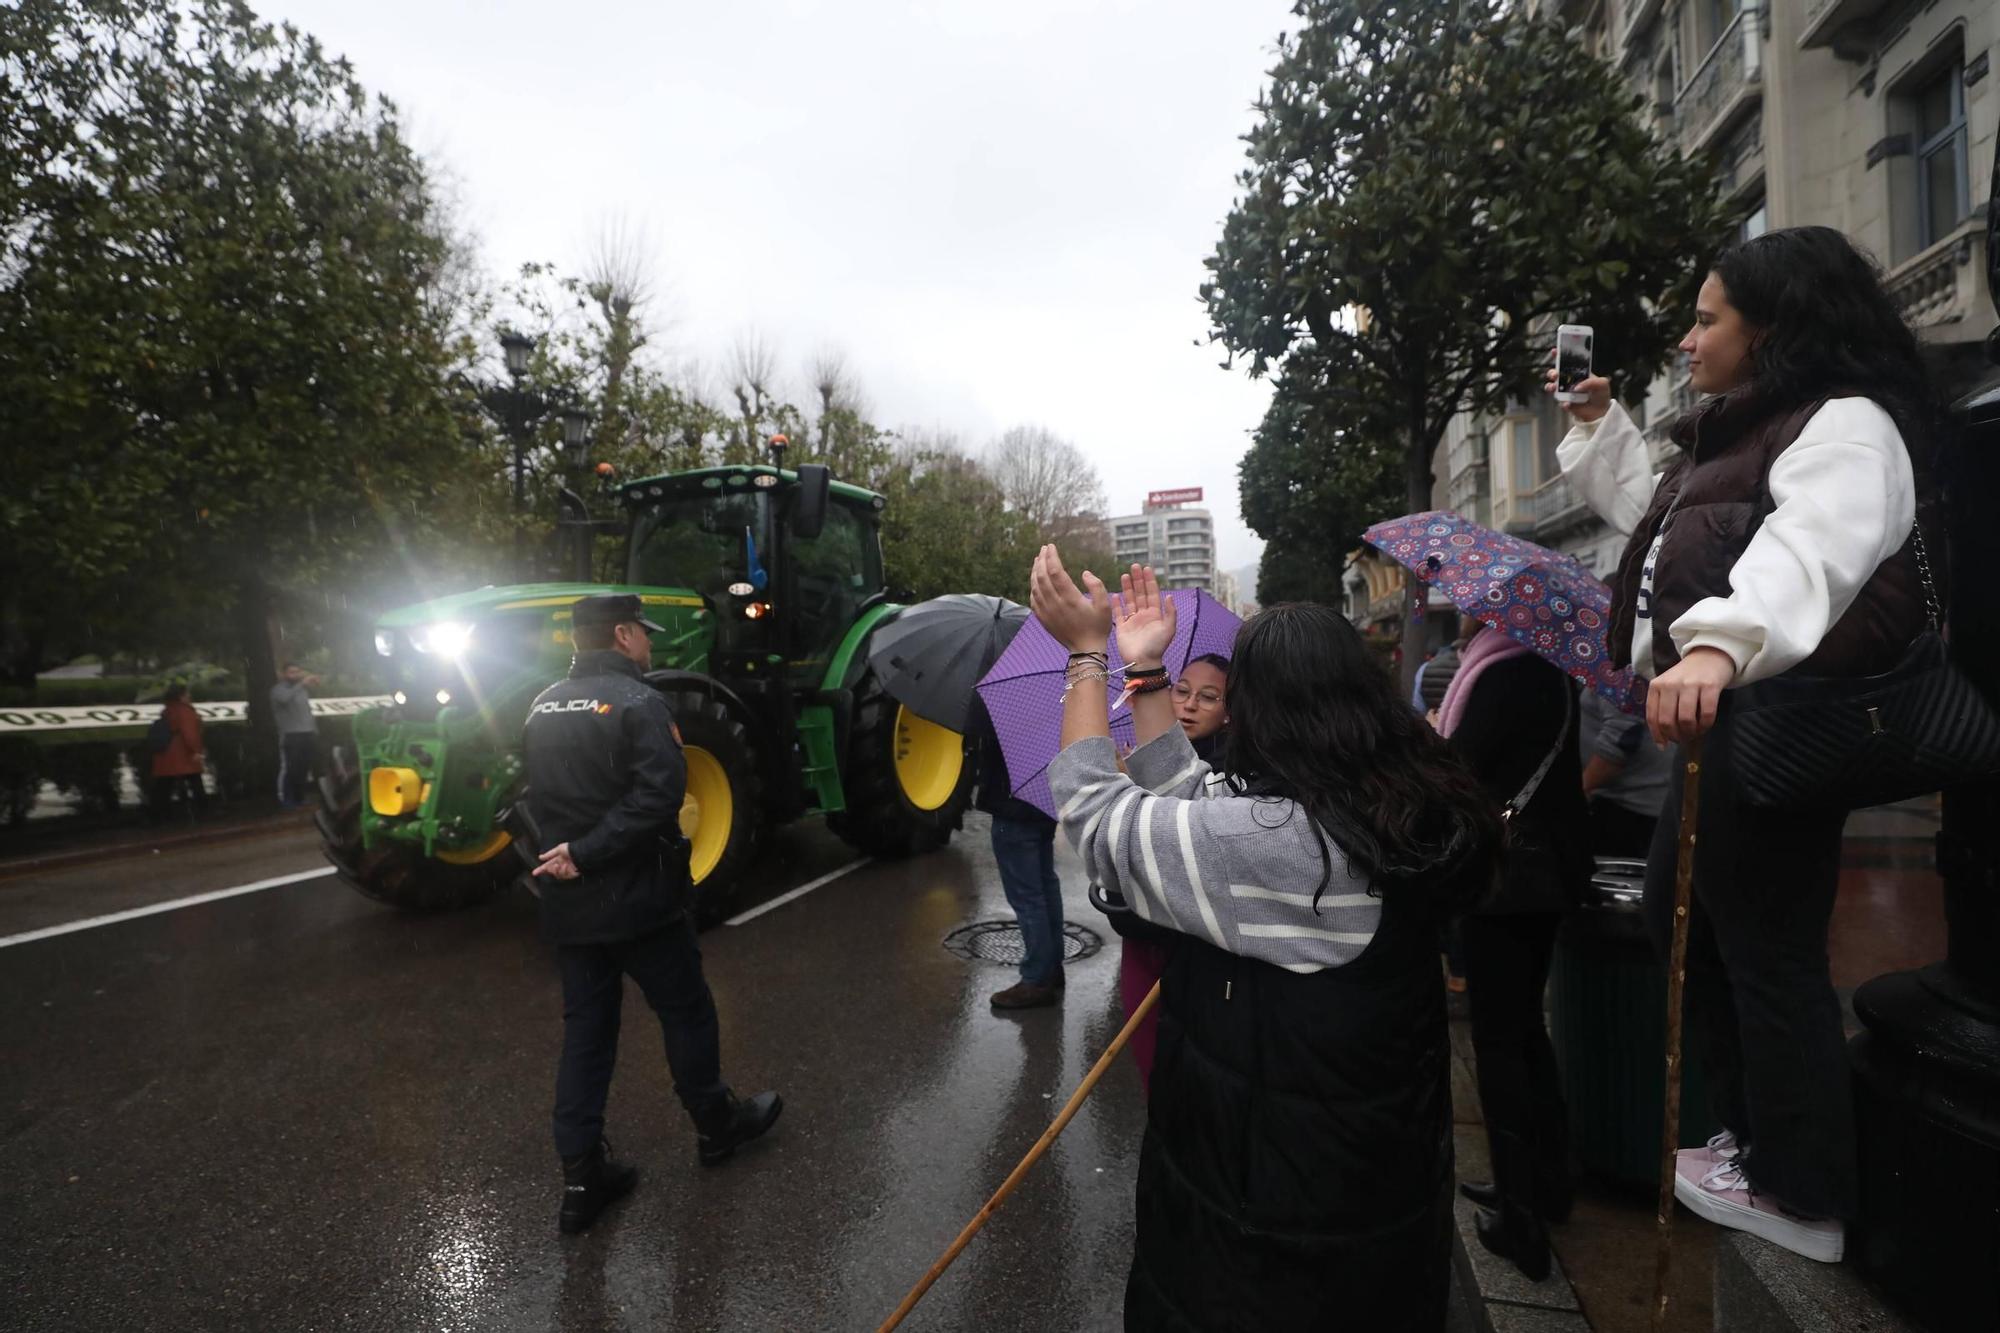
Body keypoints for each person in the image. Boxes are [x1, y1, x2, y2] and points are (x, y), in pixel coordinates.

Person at [1552, 226, 1933, 1263]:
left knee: (1763, 951)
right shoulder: (1740, 435)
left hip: (1766, 720)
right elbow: (1666, 524)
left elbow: (1812, 546)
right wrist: (1603, 425)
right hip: (1716, 728)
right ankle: (1758, 1144)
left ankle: (1798, 1189)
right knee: (1697, 935)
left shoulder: (1845, 424)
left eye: (1706, 317)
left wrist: (1716, 648)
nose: (1686, 339)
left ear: (1771, 328)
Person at [1034, 552, 1499, 1331]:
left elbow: (1094, 809)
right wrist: (1146, 669)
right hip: (1361, 1207)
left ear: (1258, 706)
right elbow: (1195, 797)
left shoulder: (1283, 842)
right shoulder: (1377, 803)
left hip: (1266, 1247)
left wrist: (1085, 657)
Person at [524, 594, 781, 1234]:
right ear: (620, 633)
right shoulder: (640, 703)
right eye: (642, 632)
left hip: (571, 909)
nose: (649, 643)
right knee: (686, 1009)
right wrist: (588, 853)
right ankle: (717, 1127)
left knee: (587, 1035)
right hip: (639, 900)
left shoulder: (541, 703)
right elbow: (658, 799)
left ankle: (582, 1176)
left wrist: (563, 858)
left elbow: (535, 794)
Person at [1438, 627, 1593, 1281]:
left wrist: (1434, 741)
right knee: (1528, 1029)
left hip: (1505, 879)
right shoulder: (1554, 672)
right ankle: (1550, 1182)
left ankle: (1518, 1216)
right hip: (1550, 869)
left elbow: (1461, 768)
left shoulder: (1500, 673)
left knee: (1498, 1040)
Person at [1113, 651, 1230, 1089]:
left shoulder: (1233, 777)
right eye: (1181, 691)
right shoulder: (1137, 758)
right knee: (1151, 1066)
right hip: (1141, 937)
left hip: (1196, 948)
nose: (1189, 704)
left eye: (1209, 697)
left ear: (1230, 713)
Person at [968, 694, 1068, 1010]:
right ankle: (1051, 967)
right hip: (1043, 800)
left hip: (1012, 807)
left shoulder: (1005, 698)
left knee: (1027, 896)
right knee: (1044, 886)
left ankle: (1036, 979)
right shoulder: (1050, 689)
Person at [1577, 686, 1668, 858]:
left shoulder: (1620, 670)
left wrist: (1581, 791)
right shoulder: (1604, 669)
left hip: (1629, 809)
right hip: (1621, 803)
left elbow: (1620, 741)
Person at [147, 683, 206, 824]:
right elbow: (190, 734)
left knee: (164, 786)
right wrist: (196, 751)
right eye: (187, 694)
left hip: (165, 755)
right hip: (182, 754)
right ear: (181, 696)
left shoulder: (168, 710)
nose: (189, 696)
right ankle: (203, 812)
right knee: (195, 782)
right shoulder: (186, 712)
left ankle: (159, 816)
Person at [270, 663, 320, 809]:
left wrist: (314, 729)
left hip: (307, 733)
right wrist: (302, 684)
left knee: (303, 767)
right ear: (283, 674)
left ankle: (300, 797)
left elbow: (306, 712)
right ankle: (285, 798)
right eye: (292, 672)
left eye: (298, 672)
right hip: (290, 735)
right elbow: (285, 699)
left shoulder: (303, 691)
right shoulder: (278, 690)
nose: (296, 675)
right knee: (290, 768)